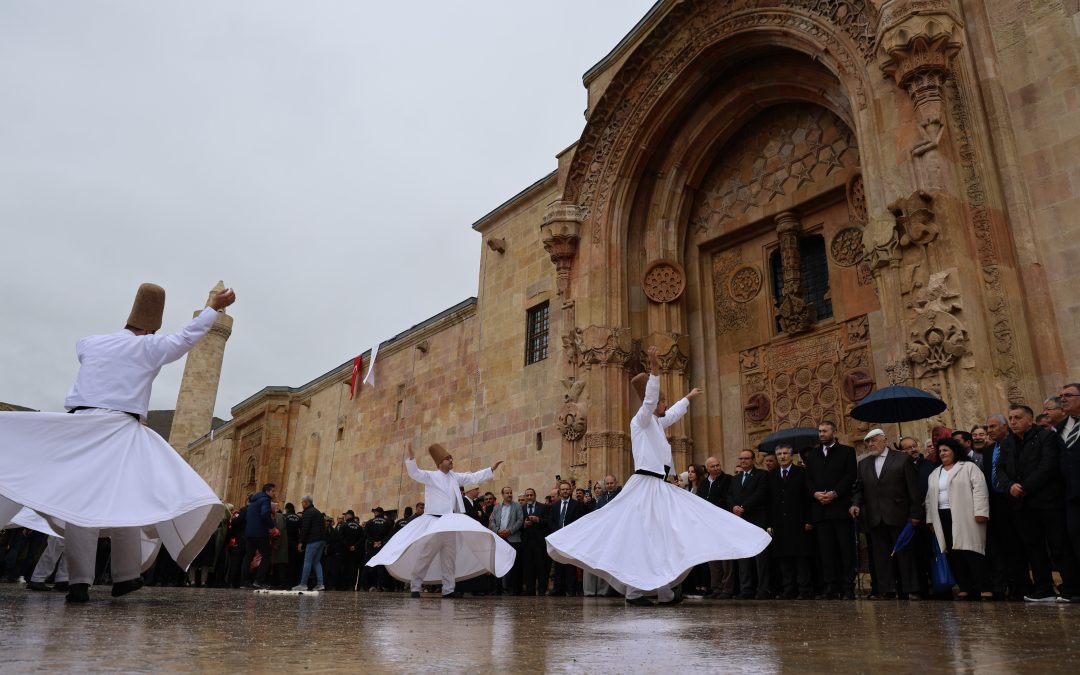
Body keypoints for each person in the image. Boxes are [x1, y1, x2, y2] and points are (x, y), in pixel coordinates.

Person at [0, 283, 235, 603]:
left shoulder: (90, 344)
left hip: (80, 427)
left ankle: (81, 582)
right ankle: (125, 575)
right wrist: (211, 306)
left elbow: (89, 356)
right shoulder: (148, 347)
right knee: (128, 497)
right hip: (119, 430)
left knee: (79, 503)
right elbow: (185, 338)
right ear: (152, 327)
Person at [545, 346, 770, 606]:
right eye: (663, 401)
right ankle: (635, 592)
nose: (664, 405)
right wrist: (654, 369)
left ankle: (664, 592)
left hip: (658, 486)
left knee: (661, 537)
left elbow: (671, 414)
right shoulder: (640, 420)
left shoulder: (656, 423)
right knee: (643, 538)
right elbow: (650, 401)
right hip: (645, 485)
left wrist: (687, 398)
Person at [365, 443, 514, 599]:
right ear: (440, 463)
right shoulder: (431, 476)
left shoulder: (455, 477)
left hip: (450, 523)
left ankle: (448, 590)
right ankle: (415, 587)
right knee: (426, 556)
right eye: (448, 459)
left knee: (449, 558)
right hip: (435, 523)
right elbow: (415, 473)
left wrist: (491, 469)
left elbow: (472, 477)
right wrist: (411, 459)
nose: (451, 460)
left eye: (451, 458)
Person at [997, 403, 1078, 601]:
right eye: (1011, 418)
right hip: (1021, 505)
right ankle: (1043, 588)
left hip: (1047, 501)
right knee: (1033, 547)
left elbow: (1048, 466)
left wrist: (1023, 486)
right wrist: (1009, 486)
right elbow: (1000, 469)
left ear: (1030, 419)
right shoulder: (1008, 443)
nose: (1013, 422)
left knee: (1058, 545)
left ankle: (1071, 587)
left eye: (1017, 418)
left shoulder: (1047, 437)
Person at [851, 428, 923, 600]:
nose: (870, 444)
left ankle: (910, 589)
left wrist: (915, 515)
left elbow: (913, 489)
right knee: (881, 556)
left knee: (904, 554)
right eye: (868, 442)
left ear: (884, 439)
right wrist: (855, 504)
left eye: (874, 440)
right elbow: (858, 489)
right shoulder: (864, 464)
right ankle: (887, 589)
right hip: (875, 516)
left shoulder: (902, 459)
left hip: (898, 515)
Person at [925, 438, 989, 600]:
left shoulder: (968, 467)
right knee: (953, 553)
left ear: (954, 450)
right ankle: (965, 586)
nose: (942, 453)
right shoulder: (934, 473)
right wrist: (930, 520)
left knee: (972, 550)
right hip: (942, 516)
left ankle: (983, 587)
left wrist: (981, 511)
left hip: (966, 515)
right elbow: (929, 499)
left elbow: (980, 489)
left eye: (945, 450)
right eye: (940, 451)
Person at [804, 421, 857, 600]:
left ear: (834, 432)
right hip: (820, 510)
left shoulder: (847, 452)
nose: (821, 434)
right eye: (819, 431)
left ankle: (848, 586)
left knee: (845, 550)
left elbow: (850, 476)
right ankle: (830, 586)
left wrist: (835, 493)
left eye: (825, 431)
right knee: (826, 551)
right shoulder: (813, 455)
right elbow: (808, 479)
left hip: (840, 508)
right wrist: (815, 494)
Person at [766, 446, 813, 599]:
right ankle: (788, 589)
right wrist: (770, 523)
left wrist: (808, 519)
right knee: (784, 558)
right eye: (779, 454)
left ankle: (804, 589)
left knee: (800, 558)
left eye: (785, 453)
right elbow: (770, 501)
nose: (782, 456)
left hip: (799, 522)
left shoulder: (801, 472)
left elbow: (807, 498)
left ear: (791, 456)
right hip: (780, 523)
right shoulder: (771, 475)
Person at [727, 449, 771, 599]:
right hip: (740, 522)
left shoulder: (762, 475)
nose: (743, 461)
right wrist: (733, 507)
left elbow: (761, 493)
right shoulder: (735, 479)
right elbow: (729, 496)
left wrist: (744, 507)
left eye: (746, 458)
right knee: (743, 556)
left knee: (761, 558)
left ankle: (763, 589)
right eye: (741, 458)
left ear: (753, 460)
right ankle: (746, 589)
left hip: (757, 519)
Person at [240, 483, 277, 589]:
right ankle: (259, 581)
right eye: (273, 491)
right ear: (267, 491)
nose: (275, 493)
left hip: (249, 533)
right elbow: (265, 513)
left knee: (248, 556)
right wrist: (272, 526)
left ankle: (244, 582)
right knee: (266, 555)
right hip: (259, 533)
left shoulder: (253, 501)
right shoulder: (265, 500)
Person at [489, 486, 524, 595]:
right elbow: (492, 521)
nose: (509, 494)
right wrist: (498, 530)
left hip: (513, 538)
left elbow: (520, 521)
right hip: (500, 538)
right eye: (507, 493)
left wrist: (510, 531)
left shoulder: (517, 506)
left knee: (513, 565)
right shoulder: (497, 508)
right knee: (499, 564)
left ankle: (512, 589)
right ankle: (497, 589)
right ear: (502, 494)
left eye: (510, 492)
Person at [519, 488, 549, 596]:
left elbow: (548, 522)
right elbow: (517, 524)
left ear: (535, 495)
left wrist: (538, 520)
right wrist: (524, 525)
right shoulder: (520, 509)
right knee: (528, 568)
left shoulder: (543, 507)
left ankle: (542, 590)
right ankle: (529, 590)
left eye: (531, 495)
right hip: (526, 543)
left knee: (541, 568)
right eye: (527, 495)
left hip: (539, 543)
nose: (529, 497)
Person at [292, 496, 326, 591]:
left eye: (302, 502)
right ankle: (320, 584)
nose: (302, 504)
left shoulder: (307, 512)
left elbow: (305, 528)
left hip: (313, 540)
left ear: (306, 503)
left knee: (307, 561)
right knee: (316, 561)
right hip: (321, 540)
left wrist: (301, 542)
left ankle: (303, 584)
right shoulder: (317, 512)